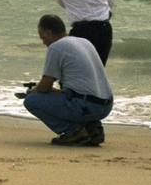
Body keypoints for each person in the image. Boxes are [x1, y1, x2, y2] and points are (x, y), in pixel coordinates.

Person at [24, 14, 114, 146]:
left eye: (43, 37)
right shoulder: (84, 42)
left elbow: (45, 85)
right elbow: (78, 89)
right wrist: (52, 91)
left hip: (87, 106)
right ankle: (92, 129)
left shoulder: (56, 47)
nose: (43, 42)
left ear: (48, 32)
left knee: (32, 101)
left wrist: (33, 91)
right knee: (67, 96)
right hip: (105, 106)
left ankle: (73, 132)